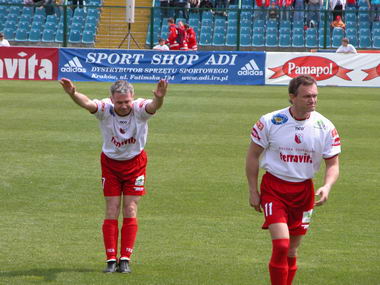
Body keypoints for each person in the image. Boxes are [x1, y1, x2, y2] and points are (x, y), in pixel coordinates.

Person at [59, 78, 168, 273]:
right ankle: (110, 259)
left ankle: (125, 258)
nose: (124, 106)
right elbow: (87, 103)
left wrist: (159, 98)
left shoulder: (139, 108)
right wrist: (73, 94)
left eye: (127, 101)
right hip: (110, 164)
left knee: (130, 208)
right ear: (112, 99)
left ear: (132, 98)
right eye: (119, 102)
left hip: (135, 163)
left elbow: (153, 105)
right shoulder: (104, 109)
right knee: (112, 209)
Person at [246, 74, 340, 285]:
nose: (313, 100)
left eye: (315, 96)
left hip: (304, 192)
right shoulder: (270, 121)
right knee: (280, 245)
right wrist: (253, 190)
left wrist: (327, 186)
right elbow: (253, 155)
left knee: (291, 250)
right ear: (292, 97)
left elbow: (333, 164)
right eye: (307, 96)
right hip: (274, 188)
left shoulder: (325, 126)